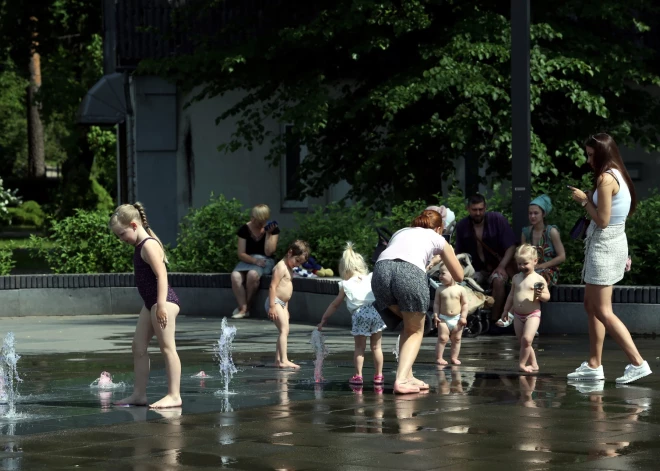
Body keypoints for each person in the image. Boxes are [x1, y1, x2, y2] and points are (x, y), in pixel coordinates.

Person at [567, 133, 651, 384]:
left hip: (604, 245)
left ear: (603, 153)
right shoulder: (618, 173)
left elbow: (602, 220)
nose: (588, 159)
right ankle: (594, 364)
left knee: (602, 310)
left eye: (591, 155)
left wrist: (584, 201)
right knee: (591, 306)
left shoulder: (606, 178)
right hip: (611, 244)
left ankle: (637, 362)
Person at [371, 209, 463, 394]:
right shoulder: (438, 238)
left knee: (409, 326)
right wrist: (442, 254)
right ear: (439, 228)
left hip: (380, 272)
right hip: (409, 274)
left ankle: (408, 375)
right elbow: (459, 275)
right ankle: (401, 381)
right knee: (415, 330)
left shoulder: (401, 231)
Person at [109, 203, 181, 408]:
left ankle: (174, 395)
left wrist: (160, 306)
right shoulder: (141, 245)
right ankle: (139, 395)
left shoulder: (148, 245)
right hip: (151, 303)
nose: (121, 240)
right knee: (138, 347)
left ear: (133, 225)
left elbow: (162, 275)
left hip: (163, 302)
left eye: (122, 234)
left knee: (168, 348)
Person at [317, 242, 386, 385]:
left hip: (360, 313)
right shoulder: (371, 277)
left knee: (360, 348)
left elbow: (335, 304)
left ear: (344, 269)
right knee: (377, 347)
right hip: (376, 312)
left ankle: (358, 376)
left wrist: (324, 318)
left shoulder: (346, 284)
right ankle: (379, 375)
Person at [497, 194, 566, 328]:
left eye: (536, 213)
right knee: (519, 281)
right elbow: (521, 252)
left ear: (543, 214)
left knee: (535, 280)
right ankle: (521, 318)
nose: (532, 216)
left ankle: (511, 316)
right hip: (529, 268)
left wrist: (541, 265)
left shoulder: (551, 232)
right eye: (530, 213)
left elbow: (562, 256)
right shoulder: (526, 232)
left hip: (548, 270)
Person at [454, 195, 517, 323]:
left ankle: (494, 320)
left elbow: (511, 246)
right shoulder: (462, 226)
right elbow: (459, 254)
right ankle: (467, 320)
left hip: (497, 265)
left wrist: (502, 266)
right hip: (475, 269)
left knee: (498, 281)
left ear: (485, 208)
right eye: (474, 210)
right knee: (462, 284)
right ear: (468, 209)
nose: (478, 213)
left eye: (481, 209)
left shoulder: (497, 220)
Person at [500, 244, 550, 372]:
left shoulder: (539, 279)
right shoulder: (516, 278)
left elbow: (547, 297)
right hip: (517, 315)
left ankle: (522, 364)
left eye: (525, 263)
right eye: (519, 264)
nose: (522, 267)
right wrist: (506, 310)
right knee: (524, 342)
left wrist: (540, 295)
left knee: (527, 339)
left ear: (535, 261)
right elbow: (511, 295)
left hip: (532, 314)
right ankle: (534, 364)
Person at [266, 240, 311, 369]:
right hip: (275, 302)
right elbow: (272, 287)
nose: (297, 265)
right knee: (284, 330)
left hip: (282, 304)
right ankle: (283, 360)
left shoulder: (289, 267)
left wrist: (286, 307)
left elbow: (285, 289)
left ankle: (278, 360)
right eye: (297, 261)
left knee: (283, 331)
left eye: (300, 263)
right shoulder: (281, 267)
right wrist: (272, 306)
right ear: (290, 252)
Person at [231, 204, 280, 319]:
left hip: (265, 259)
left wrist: (268, 234)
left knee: (252, 275)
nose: (252, 220)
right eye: (252, 217)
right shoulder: (245, 229)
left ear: (263, 219)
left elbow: (269, 252)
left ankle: (245, 308)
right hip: (248, 259)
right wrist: (254, 260)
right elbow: (241, 253)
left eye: (256, 218)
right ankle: (243, 307)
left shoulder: (273, 229)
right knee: (235, 276)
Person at [433, 265, 468, 365]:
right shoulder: (440, 289)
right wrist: (436, 315)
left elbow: (464, 304)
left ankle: (454, 357)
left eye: (443, 273)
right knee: (443, 338)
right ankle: (439, 358)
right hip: (443, 318)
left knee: (456, 339)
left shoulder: (461, 289)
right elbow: (436, 303)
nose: (440, 276)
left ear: (453, 274)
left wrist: (463, 317)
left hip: (457, 318)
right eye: (439, 273)